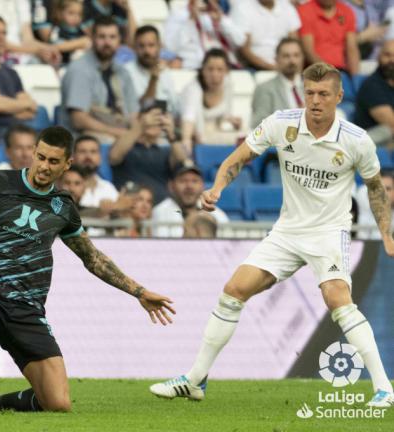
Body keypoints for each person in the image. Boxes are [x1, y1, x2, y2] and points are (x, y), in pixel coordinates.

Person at [150, 62, 394, 408]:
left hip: (328, 231)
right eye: (310, 92)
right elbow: (241, 156)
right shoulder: (283, 123)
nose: (316, 100)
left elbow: (375, 188)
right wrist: (217, 187)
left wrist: (385, 232)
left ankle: (384, 388)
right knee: (234, 290)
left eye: (324, 94)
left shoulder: (357, 141)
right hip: (287, 231)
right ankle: (194, 380)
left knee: (337, 299)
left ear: (339, 96)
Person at [0, 125, 175, 415]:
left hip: (27, 307)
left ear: (67, 164)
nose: (44, 166)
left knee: (57, 402)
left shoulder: (63, 206)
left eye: (53, 162)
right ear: (33, 153)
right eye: (40, 157)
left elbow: (93, 259)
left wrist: (138, 292)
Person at [60, 16, 138, 142]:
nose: (107, 43)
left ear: (119, 41)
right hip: (81, 140)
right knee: (109, 141)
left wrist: (137, 134)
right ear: (92, 38)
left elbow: (134, 114)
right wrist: (120, 134)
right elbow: (79, 120)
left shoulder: (123, 72)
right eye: (102, 37)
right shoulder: (79, 69)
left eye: (112, 37)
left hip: (119, 133)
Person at [110, 107, 186, 204]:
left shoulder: (166, 151)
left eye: (159, 119)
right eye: (150, 117)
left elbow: (182, 161)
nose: (154, 122)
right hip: (131, 203)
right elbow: (114, 157)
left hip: (162, 205)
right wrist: (140, 126)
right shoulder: (126, 146)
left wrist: (171, 134)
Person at [180, 49, 241, 154]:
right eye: (210, 69)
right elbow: (189, 117)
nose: (215, 74)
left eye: (220, 69)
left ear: (226, 71)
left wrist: (232, 121)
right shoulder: (193, 88)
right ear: (203, 70)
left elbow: (225, 117)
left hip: (215, 136)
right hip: (196, 136)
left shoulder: (229, 84)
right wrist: (186, 139)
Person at [163, 0, 245, 70]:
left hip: (222, 68)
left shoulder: (218, 14)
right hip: (192, 67)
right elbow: (171, 47)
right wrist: (191, 20)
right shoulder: (179, 15)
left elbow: (240, 42)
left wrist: (221, 20)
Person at [152, 166, 228, 238]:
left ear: (202, 186)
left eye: (194, 181)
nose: (189, 186)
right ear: (171, 186)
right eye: (183, 181)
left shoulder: (216, 214)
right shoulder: (160, 211)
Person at [124, 25, 180, 117]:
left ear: (159, 46)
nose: (147, 51)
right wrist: (153, 79)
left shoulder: (165, 72)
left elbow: (175, 108)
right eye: (141, 46)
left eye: (151, 45)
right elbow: (141, 109)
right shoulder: (127, 72)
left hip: (167, 124)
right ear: (134, 48)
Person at [251, 37, 305, 128]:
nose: (292, 61)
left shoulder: (312, 87)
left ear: (302, 58)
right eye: (286, 56)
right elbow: (259, 124)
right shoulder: (265, 88)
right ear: (276, 59)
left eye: (296, 55)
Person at [230, 0, 300, 70]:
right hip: (253, 69)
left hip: (286, 68)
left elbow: (294, 43)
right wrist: (272, 68)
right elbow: (244, 50)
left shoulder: (287, 7)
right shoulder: (242, 8)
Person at [298, 0, 360, 75]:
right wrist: (329, 72)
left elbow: (352, 49)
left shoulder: (346, 11)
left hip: (341, 71)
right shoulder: (305, 10)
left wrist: (356, 78)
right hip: (315, 71)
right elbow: (308, 51)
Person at [354, 39, 394, 136]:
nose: (392, 60)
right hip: (374, 143)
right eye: (387, 55)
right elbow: (391, 124)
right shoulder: (372, 86)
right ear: (378, 57)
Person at [46, 0, 90, 66]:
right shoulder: (57, 29)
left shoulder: (81, 30)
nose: (76, 17)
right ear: (59, 13)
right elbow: (55, 46)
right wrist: (80, 43)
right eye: (71, 13)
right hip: (61, 65)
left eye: (79, 14)